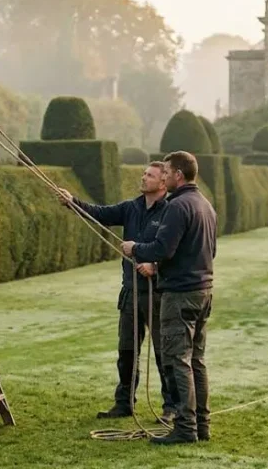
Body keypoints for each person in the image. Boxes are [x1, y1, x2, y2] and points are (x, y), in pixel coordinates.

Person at [57, 162, 173, 421]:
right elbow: (101, 213)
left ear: (163, 183)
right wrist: (72, 201)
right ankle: (124, 403)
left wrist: (155, 265)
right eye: (144, 174)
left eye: (150, 175)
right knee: (126, 352)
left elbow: (176, 248)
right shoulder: (131, 208)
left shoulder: (171, 211)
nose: (143, 178)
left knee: (164, 354)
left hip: (158, 294)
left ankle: (171, 408)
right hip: (131, 292)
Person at [122, 150, 217, 445]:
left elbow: (163, 248)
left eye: (165, 172)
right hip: (203, 292)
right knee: (196, 360)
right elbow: (208, 251)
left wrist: (135, 248)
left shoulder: (177, 206)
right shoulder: (205, 205)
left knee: (178, 360)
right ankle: (202, 426)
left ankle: (185, 429)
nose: (162, 176)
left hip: (179, 295)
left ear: (178, 174)